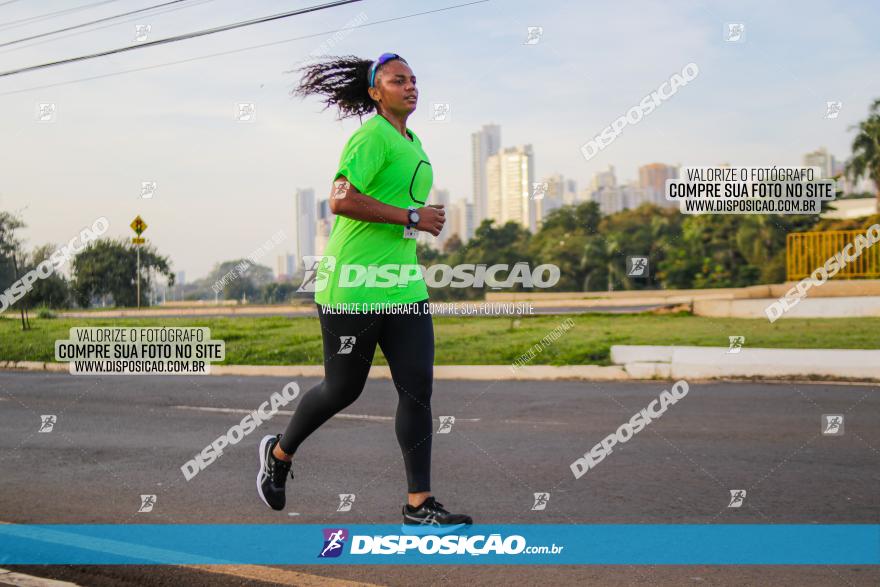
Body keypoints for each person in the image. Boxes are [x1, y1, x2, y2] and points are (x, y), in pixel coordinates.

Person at [256, 52, 472, 529]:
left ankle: (418, 505)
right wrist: (413, 217)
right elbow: (340, 198)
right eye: (399, 81)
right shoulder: (371, 136)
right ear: (376, 93)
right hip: (351, 285)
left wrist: (412, 220)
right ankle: (279, 453)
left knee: (417, 392)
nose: (411, 87)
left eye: (414, 80)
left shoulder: (412, 140)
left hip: (402, 285)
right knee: (342, 389)